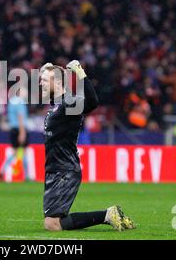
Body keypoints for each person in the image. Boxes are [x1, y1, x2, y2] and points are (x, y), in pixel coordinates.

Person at [39, 60, 135, 232]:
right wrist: (48, 70)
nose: (40, 83)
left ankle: (107, 215)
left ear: (59, 83)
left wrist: (80, 73)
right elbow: (54, 80)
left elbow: (92, 102)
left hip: (65, 170)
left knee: (52, 224)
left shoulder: (69, 104)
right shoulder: (58, 104)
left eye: (44, 80)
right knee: (52, 222)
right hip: (54, 170)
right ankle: (109, 215)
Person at [0, 87, 30, 181]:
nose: (27, 94)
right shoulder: (20, 102)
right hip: (20, 128)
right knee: (23, 152)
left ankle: (2, 169)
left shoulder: (11, 102)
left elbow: (8, 116)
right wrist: (22, 132)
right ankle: (27, 176)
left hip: (13, 128)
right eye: (25, 92)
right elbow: (20, 116)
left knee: (15, 152)